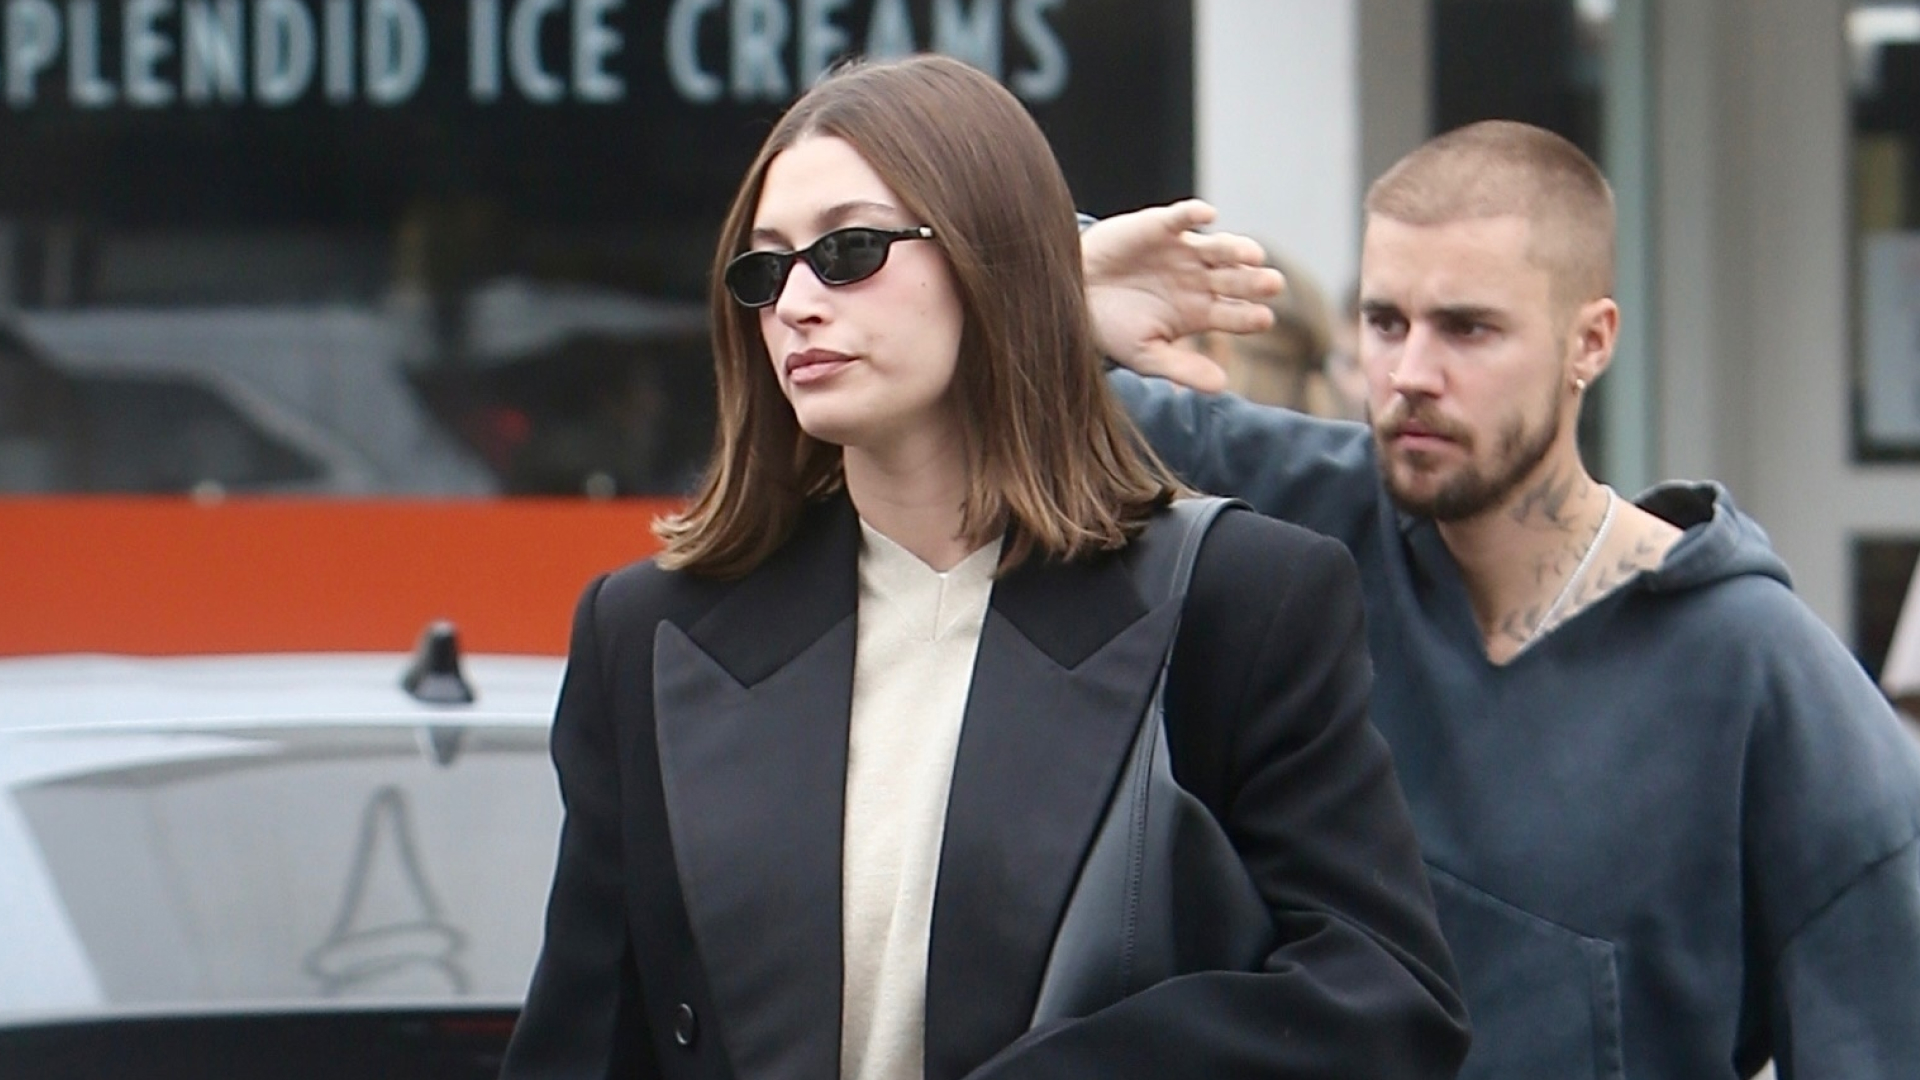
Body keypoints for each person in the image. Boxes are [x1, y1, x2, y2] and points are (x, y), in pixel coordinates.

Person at [500, 55, 1469, 1080]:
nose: (795, 301)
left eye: (851, 249)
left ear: (987, 259)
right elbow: (586, 1046)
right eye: (765, 266)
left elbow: (1384, 999)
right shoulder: (650, 630)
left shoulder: (1238, 599)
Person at [1107, 119, 1920, 1078]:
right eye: (1385, 322)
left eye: (1468, 328)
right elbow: (989, 392)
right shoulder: (1300, 515)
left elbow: (1885, 1020)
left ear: (1591, 341)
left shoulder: (1751, 664)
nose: (1411, 374)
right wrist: (1061, 283)